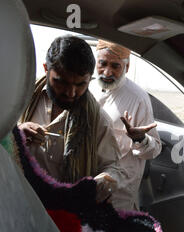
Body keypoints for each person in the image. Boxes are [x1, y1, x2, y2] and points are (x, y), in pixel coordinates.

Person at [18, 36, 124, 203]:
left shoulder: (99, 121)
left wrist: (100, 183)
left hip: (65, 213)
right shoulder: (20, 98)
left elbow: (113, 169)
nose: (71, 93)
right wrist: (16, 133)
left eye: (81, 84)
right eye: (62, 82)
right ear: (46, 69)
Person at [90, 40, 162, 211]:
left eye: (115, 66)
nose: (107, 72)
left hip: (118, 190)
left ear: (127, 68)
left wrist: (141, 139)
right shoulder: (88, 88)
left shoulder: (138, 98)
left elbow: (155, 148)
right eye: (103, 64)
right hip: (87, 180)